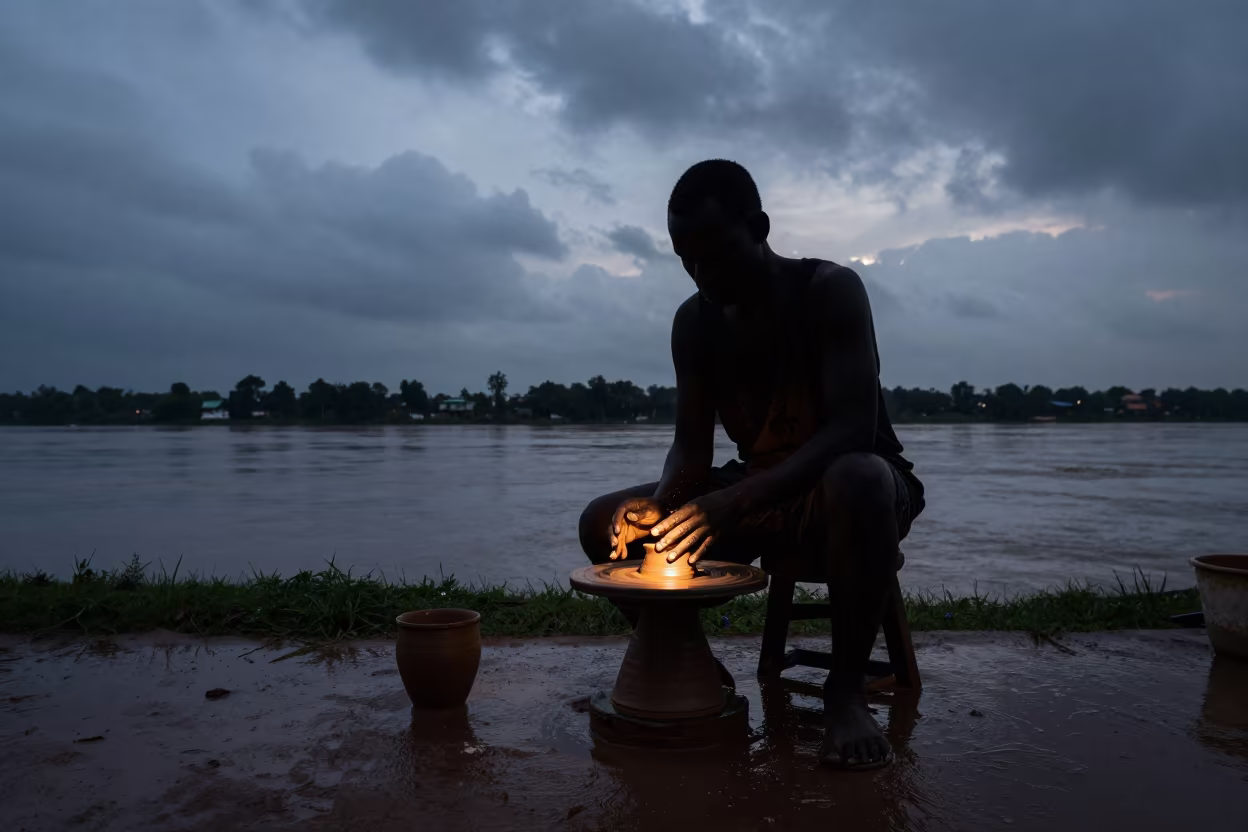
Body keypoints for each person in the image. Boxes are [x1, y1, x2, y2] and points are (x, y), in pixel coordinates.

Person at [578, 159, 925, 771]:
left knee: (860, 479)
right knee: (602, 521)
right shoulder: (694, 323)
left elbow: (850, 430)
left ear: (759, 227)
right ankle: (690, 662)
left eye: (717, 253)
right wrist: (662, 503)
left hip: (850, 486)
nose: (702, 272)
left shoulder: (829, 291)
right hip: (756, 488)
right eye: (685, 257)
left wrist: (732, 502)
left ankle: (845, 697)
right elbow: (691, 449)